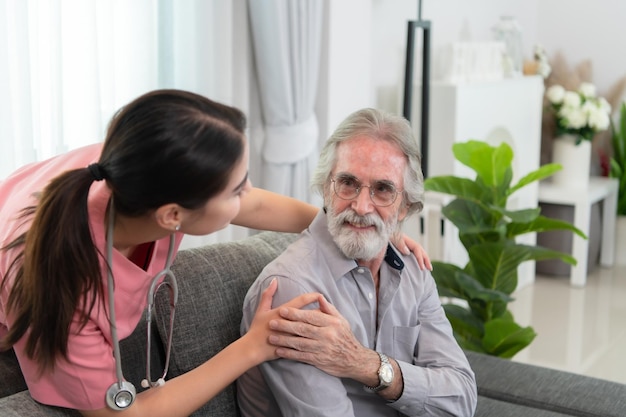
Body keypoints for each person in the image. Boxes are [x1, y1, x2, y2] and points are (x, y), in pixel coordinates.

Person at [0, 90, 429, 417]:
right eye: (235, 188)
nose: (247, 193)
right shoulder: (63, 284)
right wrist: (253, 346)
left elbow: (255, 205)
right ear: (173, 215)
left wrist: (361, 227)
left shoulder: (140, 169)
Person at [238, 108, 477, 417]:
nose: (362, 207)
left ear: (405, 207)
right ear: (326, 188)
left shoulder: (412, 270)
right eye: (348, 183)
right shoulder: (294, 290)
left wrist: (368, 365)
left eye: (383, 190)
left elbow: (461, 400)